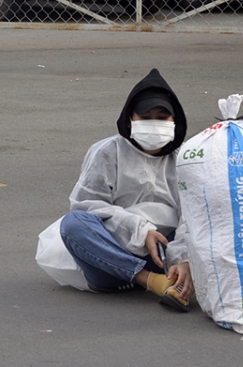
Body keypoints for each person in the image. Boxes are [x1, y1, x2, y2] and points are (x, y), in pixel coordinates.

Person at [58, 68, 194, 311]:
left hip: (166, 254)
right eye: (145, 117)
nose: (154, 123)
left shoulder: (185, 158)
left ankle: (175, 278)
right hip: (110, 254)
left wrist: (183, 258)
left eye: (162, 118)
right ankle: (151, 282)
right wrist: (141, 231)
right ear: (130, 120)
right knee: (73, 224)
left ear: (175, 121)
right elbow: (86, 205)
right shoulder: (108, 151)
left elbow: (192, 215)